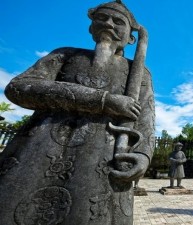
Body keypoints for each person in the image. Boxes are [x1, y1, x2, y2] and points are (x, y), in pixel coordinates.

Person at [0, 1, 155, 225]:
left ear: (131, 38)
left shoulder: (139, 73)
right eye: (102, 18)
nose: (109, 24)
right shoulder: (65, 55)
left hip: (104, 163)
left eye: (118, 21)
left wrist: (142, 155)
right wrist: (103, 101)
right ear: (91, 27)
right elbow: (19, 87)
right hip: (37, 152)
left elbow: (145, 117)